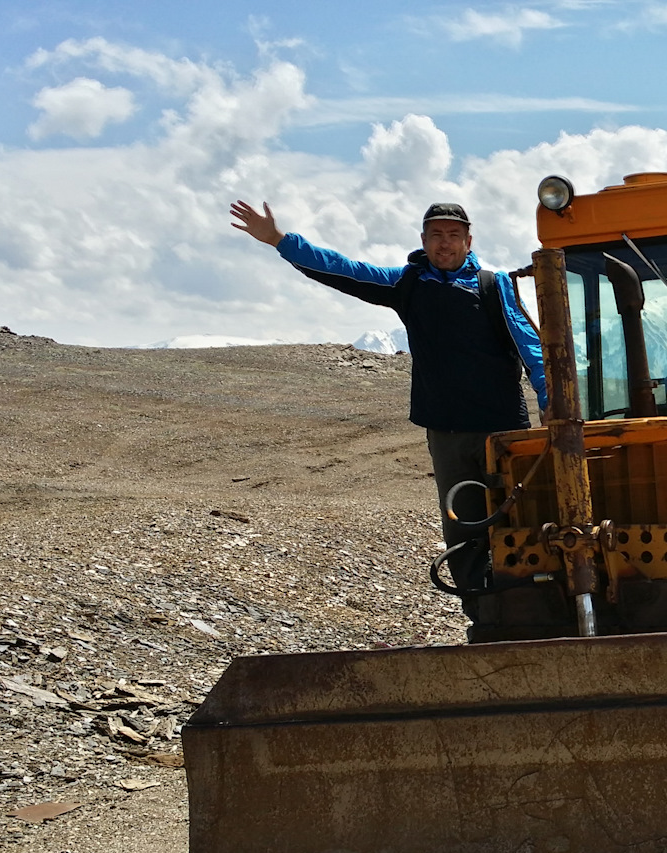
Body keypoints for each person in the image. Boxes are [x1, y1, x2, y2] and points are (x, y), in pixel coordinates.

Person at [230, 199, 547, 616]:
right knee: (463, 530)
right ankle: (486, 619)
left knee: (523, 519)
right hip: (448, 435)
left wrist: (550, 398)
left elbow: (529, 344)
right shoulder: (409, 284)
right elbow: (344, 269)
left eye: (454, 235)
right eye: (436, 235)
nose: (445, 243)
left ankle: (535, 610)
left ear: (469, 241)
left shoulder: (492, 286)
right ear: (423, 241)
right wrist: (279, 241)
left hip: (504, 431)